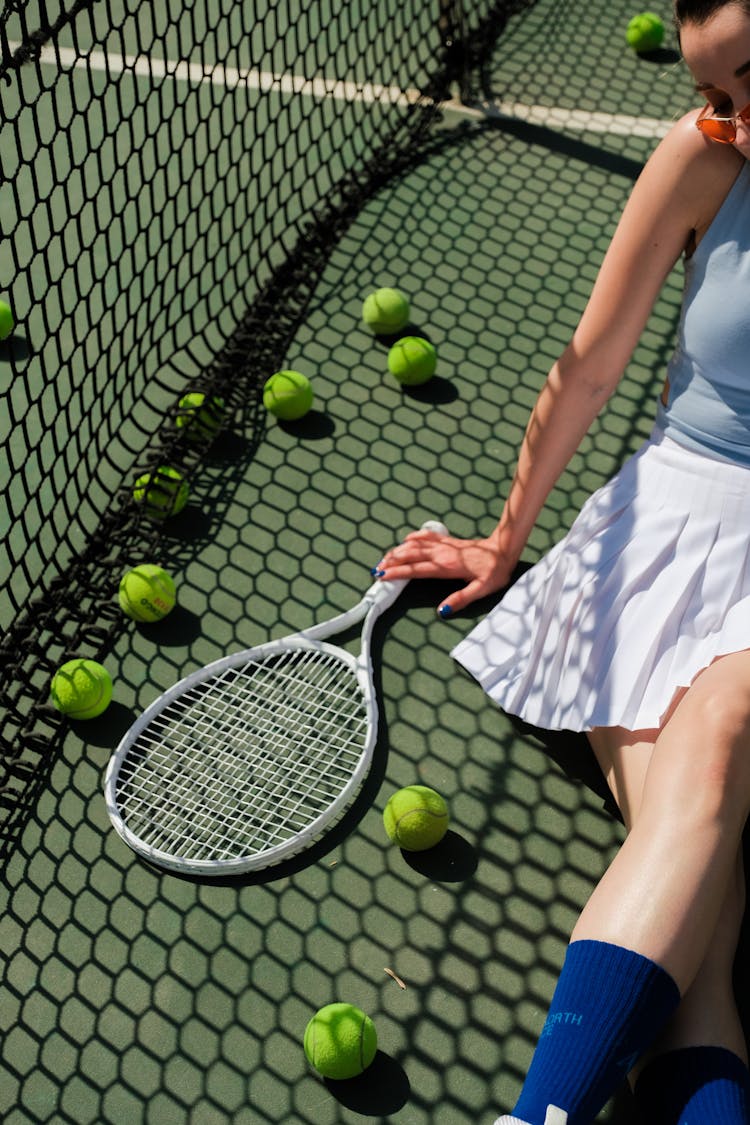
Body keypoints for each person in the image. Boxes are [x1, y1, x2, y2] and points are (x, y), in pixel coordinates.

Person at [376, 2, 750, 1122]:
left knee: (717, 739)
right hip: (672, 515)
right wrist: (507, 537)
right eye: (722, 89)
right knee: (702, 910)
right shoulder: (708, 155)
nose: (736, 112)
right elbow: (589, 365)